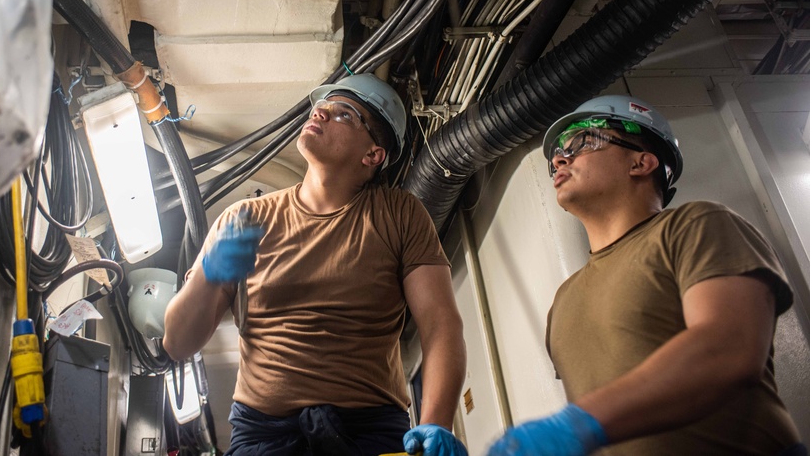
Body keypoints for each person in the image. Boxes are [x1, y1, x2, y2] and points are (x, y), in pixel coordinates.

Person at [163, 73, 469, 456]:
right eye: (321, 107)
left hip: (369, 432)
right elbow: (177, 344)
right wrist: (209, 274)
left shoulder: (400, 214)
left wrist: (436, 422)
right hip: (264, 435)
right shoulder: (245, 218)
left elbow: (441, 324)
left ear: (373, 155)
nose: (321, 113)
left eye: (344, 114)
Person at [486, 95, 805, 456]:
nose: (560, 157)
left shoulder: (694, 225)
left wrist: (578, 423)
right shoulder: (564, 300)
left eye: (582, 141)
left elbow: (728, 347)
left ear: (642, 162)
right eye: (558, 152)